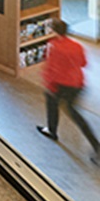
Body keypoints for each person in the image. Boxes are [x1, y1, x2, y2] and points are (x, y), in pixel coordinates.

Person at [37, 19, 100, 165]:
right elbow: (84, 63)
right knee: (74, 112)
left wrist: (50, 85)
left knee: (55, 103)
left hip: (62, 84)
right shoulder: (77, 45)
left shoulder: (53, 46)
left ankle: (52, 131)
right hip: (78, 84)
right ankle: (95, 145)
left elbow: (51, 69)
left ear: (54, 31)